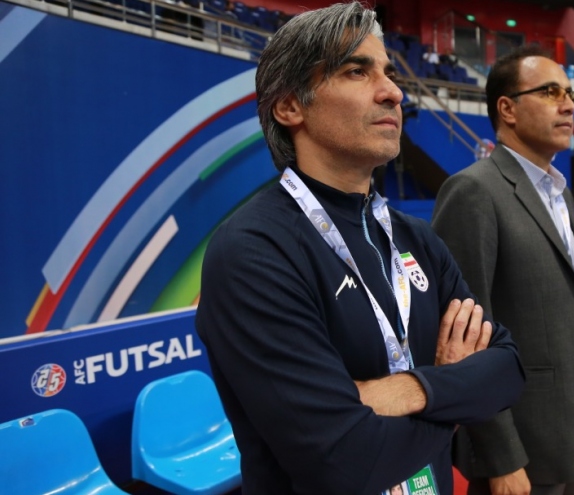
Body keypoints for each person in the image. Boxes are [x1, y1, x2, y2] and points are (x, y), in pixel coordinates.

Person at [195, 4, 525, 494]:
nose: (393, 91)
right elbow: (345, 462)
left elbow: (508, 367)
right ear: (290, 107)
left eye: (390, 73)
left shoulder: (415, 238)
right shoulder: (252, 251)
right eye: (357, 71)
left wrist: (411, 390)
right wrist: (457, 395)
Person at [432, 45, 574, 495]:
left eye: (570, 94)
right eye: (551, 92)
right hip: (524, 453)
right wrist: (501, 455)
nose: (568, 105)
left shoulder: (559, 193)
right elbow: (465, 340)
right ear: (507, 109)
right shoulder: (474, 191)